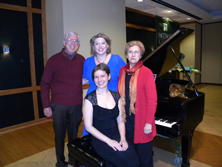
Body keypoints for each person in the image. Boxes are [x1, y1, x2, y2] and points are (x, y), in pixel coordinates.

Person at [40, 31, 85, 167]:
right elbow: (44, 84)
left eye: (76, 41)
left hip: (76, 104)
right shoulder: (53, 61)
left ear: (78, 44)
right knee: (59, 135)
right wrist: (46, 105)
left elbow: (86, 77)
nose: (73, 43)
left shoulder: (82, 60)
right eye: (70, 40)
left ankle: (73, 158)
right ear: (64, 42)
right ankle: (60, 162)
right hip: (58, 106)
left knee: (73, 135)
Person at [83, 63, 140, 167]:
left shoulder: (116, 96)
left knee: (135, 161)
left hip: (116, 135)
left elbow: (120, 120)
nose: (100, 80)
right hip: (100, 139)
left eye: (102, 76)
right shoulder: (89, 99)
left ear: (109, 76)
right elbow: (89, 127)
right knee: (126, 163)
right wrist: (109, 141)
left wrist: (123, 138)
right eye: (96, 77)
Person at [118, 41, 157, 167]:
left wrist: (148, 123)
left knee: (144, 159)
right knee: (131, 157)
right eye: (130, 52)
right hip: (127, 121)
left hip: (142, 122)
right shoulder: (122, 71)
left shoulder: (147, 72)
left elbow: (152, 100)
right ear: (127, 55)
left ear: (140, 55)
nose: (133, 54)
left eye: (136, 52)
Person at [82, 33, 126, 136]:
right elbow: (84, 80)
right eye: (97, 44)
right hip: (94, 101)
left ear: (107, 45)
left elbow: (126, 78)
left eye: (103, 43)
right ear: (93, 47)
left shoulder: (116, 59)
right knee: (92, 129)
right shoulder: (88, 62)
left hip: (113, 100)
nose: (100, 46)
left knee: (114, 129)